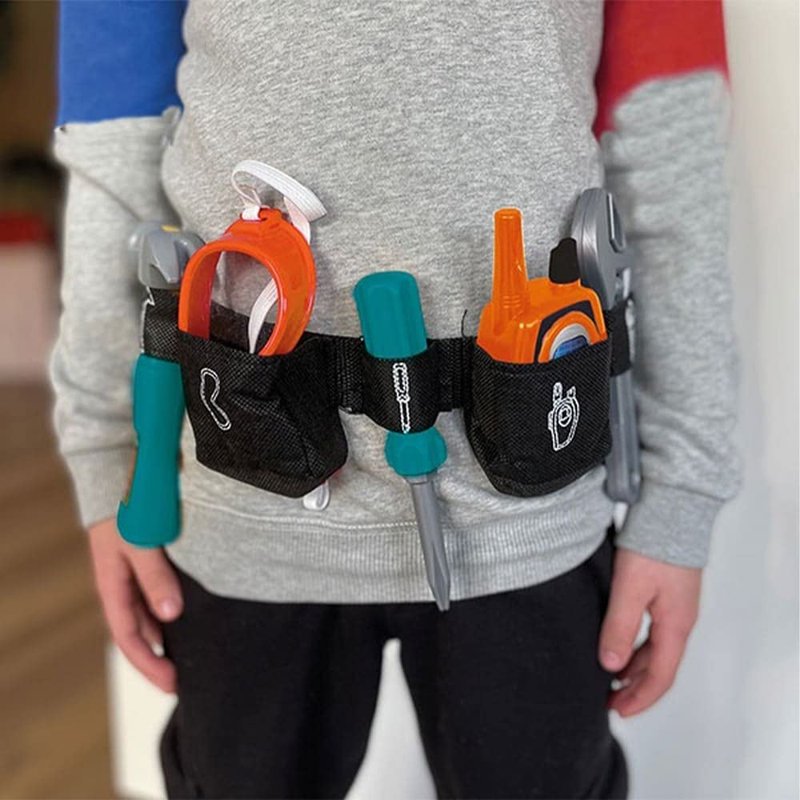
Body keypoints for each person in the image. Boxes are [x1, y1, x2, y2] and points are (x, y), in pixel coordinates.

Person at [52, 1, 739, 797]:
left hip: (527, 516)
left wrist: (681, 497)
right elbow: (115, 146)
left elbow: (670, 144)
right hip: (246, 515)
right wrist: (104, 461)